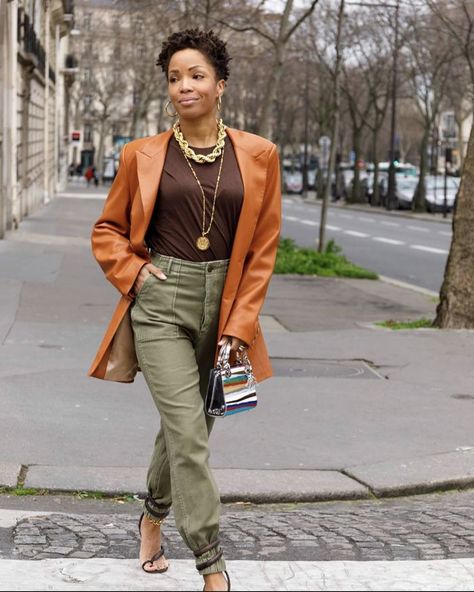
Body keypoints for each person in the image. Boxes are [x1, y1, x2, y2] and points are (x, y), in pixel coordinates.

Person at [88, 28, 281, 592]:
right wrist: (136, 274)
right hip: (161, 300)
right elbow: (107, 231)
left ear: (220, 85)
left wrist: (240, 326)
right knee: (188, 433)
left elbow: (263, 253)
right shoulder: (141, 155)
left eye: (196, 75)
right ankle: (212, 565)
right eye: (175, 77)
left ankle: (152, 513)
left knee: (190, 428)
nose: (184, 86)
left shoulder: (259, 155)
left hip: (225, 303)